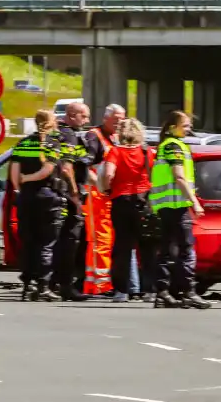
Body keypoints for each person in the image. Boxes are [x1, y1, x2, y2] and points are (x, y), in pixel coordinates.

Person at [103, 118, 173, 305]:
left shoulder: (115, 152)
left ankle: (121, 291)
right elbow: (155, 176)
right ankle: (149, 290)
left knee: (122, 248)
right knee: (148, 248)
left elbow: (109, 174)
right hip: (144, 202)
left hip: (121, 202)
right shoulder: (147, 152)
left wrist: (106, 188)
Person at [147, 110, 212, 309]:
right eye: (185, 125)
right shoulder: (174, 146)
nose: (188, 129)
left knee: (166, 251)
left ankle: (163, 293)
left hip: (166, 207)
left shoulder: (165, 145)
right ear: (173, 127)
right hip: (176, 205)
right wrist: (195, 202)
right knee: (186, 250)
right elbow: (179, 177)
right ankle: (188, 293)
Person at [9, 109, 65, 302]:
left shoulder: (22, 143)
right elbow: (47, 170)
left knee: (28, 244)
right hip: (47, 198)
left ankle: (28, 285)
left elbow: (14, 176)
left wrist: (23, 185)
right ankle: (43, 285)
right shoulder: (53, 144)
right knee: (46, 244)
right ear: (51, 122)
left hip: (26, 198)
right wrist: (31, 178)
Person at [52, 101, 96, 301]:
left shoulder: (56, 133)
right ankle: (66, 286)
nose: (86, 121)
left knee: (59, 241)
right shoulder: (68, 134)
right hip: (68, 195)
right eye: (84, 116)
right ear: (71, 114)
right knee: (71, 241)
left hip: (55, 194)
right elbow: (67, 167)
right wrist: (75, 193)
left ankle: (51, 283)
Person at [83, 104, 125, 295]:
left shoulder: (116, 138)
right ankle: (98, 285)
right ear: (105, 118)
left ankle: (103, 282)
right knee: (99, 240)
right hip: (96, 195)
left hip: (111, 195)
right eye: (116, 119)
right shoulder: (94, 136)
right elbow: (86, 167)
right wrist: (100, 187)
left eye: (122, 119)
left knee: (109, 240)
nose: (119, 122)